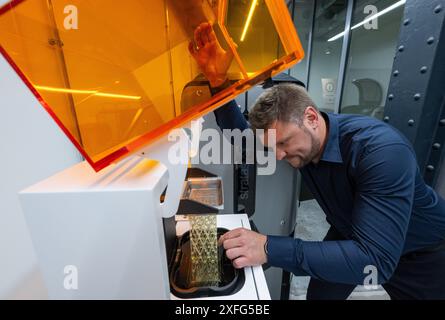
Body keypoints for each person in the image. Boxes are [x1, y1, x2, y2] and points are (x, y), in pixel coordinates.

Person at [188, 22, 445, 299]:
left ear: (311, 117)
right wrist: (218, 82)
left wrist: (268, 248)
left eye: (284, 143)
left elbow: (375, 261)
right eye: (273, 146)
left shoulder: (381, 152)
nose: (278, 156)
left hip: (422, 257)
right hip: (351, 233)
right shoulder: (301, 141)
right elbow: (243, 144)